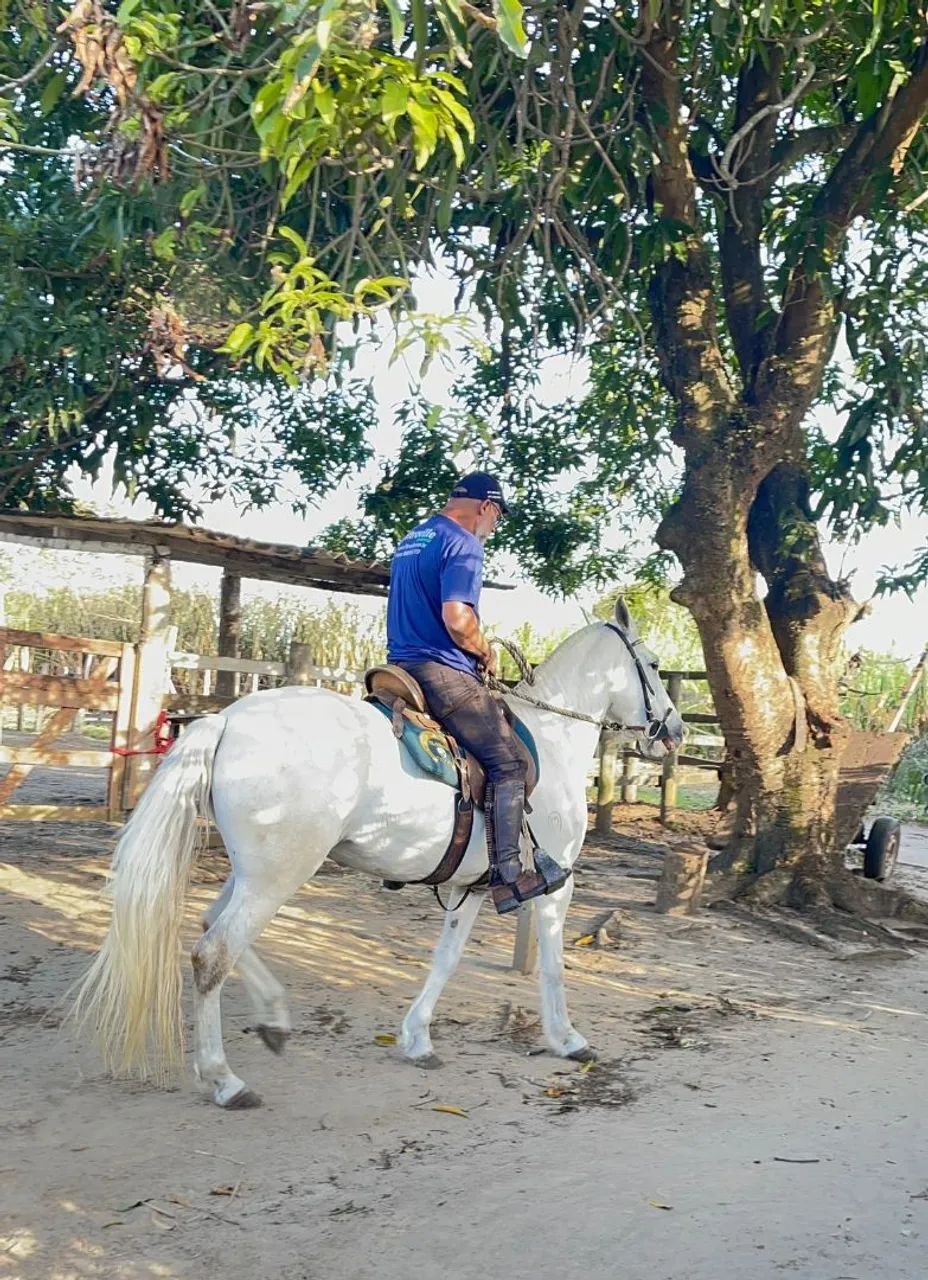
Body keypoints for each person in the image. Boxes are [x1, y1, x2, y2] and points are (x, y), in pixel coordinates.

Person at [386, 471, 568, 914]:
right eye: (497, 518)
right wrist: (485, 650)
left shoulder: (412, 540)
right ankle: (509, 876)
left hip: (397, 668)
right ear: (487, 506)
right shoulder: (463, 543)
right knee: (509, 763)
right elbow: (457, 619)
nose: (494, 528)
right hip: (441, 672)